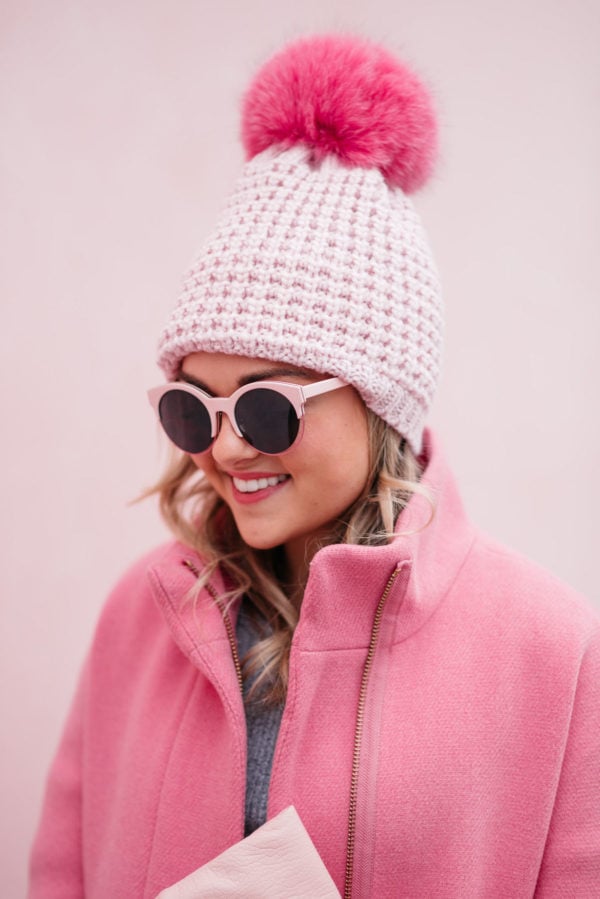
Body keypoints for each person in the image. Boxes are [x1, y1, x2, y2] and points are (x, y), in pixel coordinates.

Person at [29, 34, 600, 898]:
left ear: (380, 403)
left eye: (268, 406)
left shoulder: (554, 652)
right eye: (193, 407)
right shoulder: (140, 617)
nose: (224, 449)